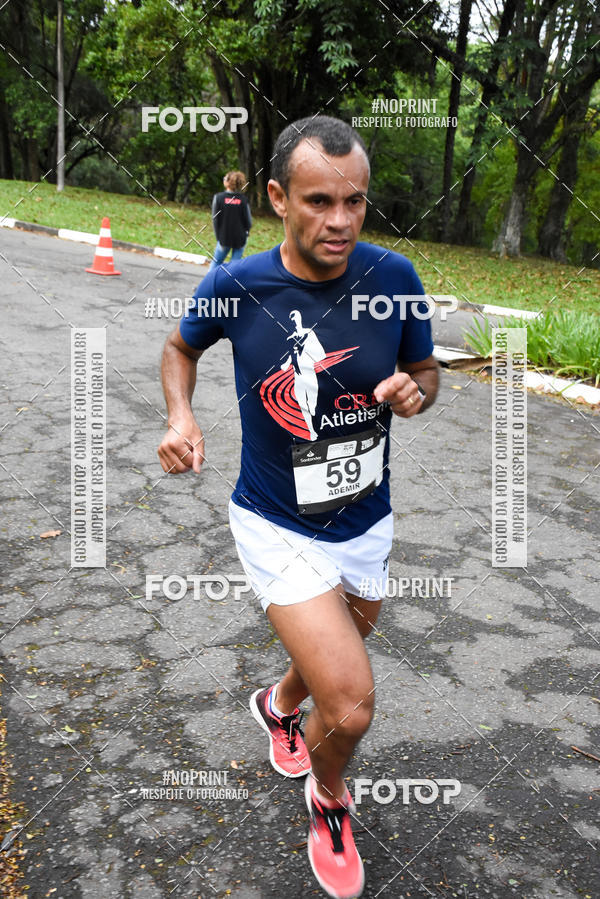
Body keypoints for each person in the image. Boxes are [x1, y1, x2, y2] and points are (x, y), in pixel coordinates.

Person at [158, 115, 439, 899]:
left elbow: (424, 369)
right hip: (274, 521)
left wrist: (417, 391)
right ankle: (329, 795)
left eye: (356, 203)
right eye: (320, 201)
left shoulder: (394, 278)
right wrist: (181, 415)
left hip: (365, 518)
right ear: (278, 198)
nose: (342, 222)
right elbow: (180, 348)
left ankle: (279, 705)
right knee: (348, 706)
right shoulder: (237, 284)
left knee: (339, 641)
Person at [208, 170, 252, 269]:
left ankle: (209, 283)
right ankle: (229, 284)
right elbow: (248, 221)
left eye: (224, 178)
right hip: (240, 238)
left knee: (216, 262)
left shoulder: (218, 198)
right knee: (234, 267)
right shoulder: (243, 199)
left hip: (224, 236)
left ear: (228, 182)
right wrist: (247, 232)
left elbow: (215, 219)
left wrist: (218, 237)